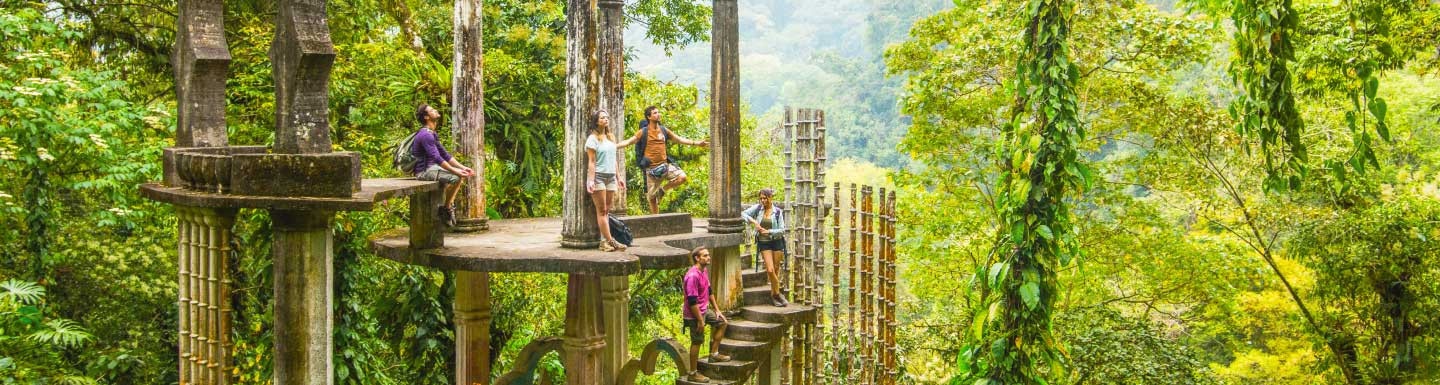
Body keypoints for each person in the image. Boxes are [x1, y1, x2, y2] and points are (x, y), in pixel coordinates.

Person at [626, 106, 708, 214]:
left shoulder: (663, 130)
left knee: (682, 177)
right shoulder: (643, 132)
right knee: (651, 198)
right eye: (655, 113)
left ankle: (662, 190)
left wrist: (697, 143)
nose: (658, 114)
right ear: (648, 117)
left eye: (658, 112)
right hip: (650, 168)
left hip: (664, 165)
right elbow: (631, 144)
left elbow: (679, 139)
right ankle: (656, 219)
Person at [411, 104, 475, 227]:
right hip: (424, 171)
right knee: (456, 178)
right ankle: (446, 208)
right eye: (431, 110)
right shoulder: (425, 135)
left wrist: (462, 167)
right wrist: (456, 172)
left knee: (458, 174)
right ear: (426, 117)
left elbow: (445, 155)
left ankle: (446, 207)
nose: (435, 110)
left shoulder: (432, 134)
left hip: (433, 168)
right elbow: (437, 157)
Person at [586, 110, 640, 251]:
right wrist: (590, 181)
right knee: (602, 210)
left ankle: (604, 242)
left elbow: (614, 159)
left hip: (610, 176)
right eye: (602, 117)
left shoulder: (610, 137)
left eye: (607, 117)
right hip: (599, 176)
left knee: (607, 210)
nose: (606, 119)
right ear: (596, 121)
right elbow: (591, 161)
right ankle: (611, 241)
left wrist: (618, 176)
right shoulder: (592, 139)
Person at [682, 246, 729, 383]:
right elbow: (692, 301)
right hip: (693, 313)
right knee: (697, 341)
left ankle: (714, 353)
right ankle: (693, 373)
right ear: (697, 258)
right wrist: (700, 321)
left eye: (708, 255)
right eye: (705, 256)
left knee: (722, 322)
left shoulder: (704, 271)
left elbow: (709, 290)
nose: (708, 257)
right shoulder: (692, 276)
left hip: (704, 309)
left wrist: (717, 310)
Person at [741, 188, 789, 307]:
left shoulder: (777, 212)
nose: (763, 200)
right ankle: (778, 293)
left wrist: (769, 232)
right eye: (761, 198)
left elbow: (782, 230)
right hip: (764, 242)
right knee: (770, 270)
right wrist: (754, 222)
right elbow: (743, 213)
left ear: (770, 198)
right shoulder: (758, 209)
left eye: (765, 198)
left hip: (777, 242)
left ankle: (774, 296)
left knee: (776, 270)